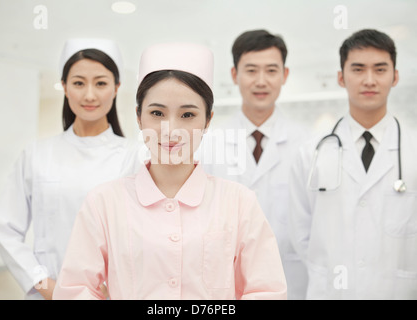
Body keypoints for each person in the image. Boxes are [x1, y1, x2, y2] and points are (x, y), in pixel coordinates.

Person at [53, 42, 287, 300]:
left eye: (187, 115)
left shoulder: (239, 202)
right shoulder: (103, 203)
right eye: (157, 113)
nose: (171, 130)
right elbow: (76, 290)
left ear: (207, 120)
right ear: (139, 117)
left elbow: (266, 291)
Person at [0, 39, 140, 300]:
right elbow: (6, 228)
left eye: (101, 83)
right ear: (64, 87)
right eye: (79, 82)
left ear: (116, 88)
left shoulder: (135, 156)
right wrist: (44, 283)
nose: (89, 95)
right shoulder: (37, 154)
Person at [289, 29, 417, 299]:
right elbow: (301, 233)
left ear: (395, 77)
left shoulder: (413, 150)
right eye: (358, 69)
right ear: (340, 77)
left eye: (380, 69)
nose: (369, 80)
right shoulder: (310, 153)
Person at [199, 29, 308, 299]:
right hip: (224, 282)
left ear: (285, 75)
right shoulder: (208, 143)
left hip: (291, 279)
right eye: (251, 71)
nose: (261, 81)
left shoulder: (308, 144)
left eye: (271, 70)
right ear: (235, 75)